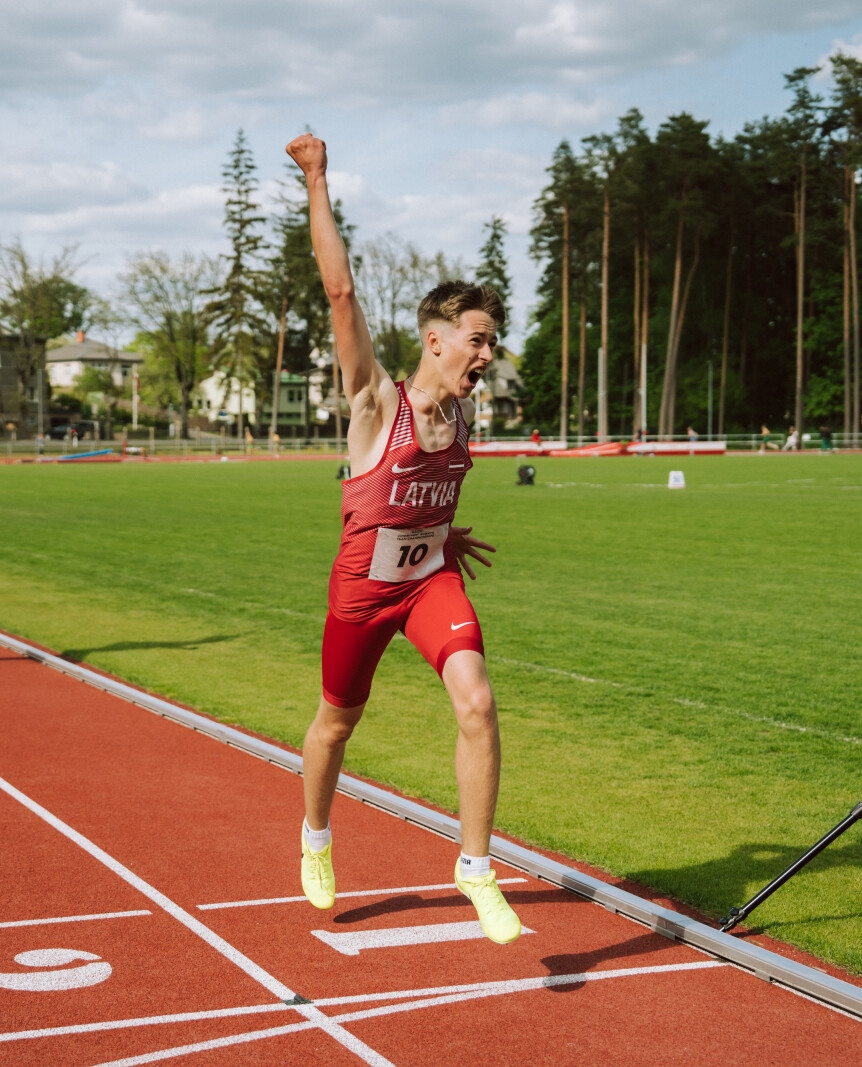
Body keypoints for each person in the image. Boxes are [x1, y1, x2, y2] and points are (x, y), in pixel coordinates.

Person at [287, 133, 519, 945]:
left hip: (426, 584)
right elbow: (341, 292)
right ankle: (316, 836)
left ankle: (476, 867)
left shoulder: (463, 415)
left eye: (491, 343)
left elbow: (418, 498)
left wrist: (443, 538)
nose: (487, 356)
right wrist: (318, 179)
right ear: (436, 339)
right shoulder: (375, 402)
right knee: (336, 723)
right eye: (478, 341)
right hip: (361, 588)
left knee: (479, 702)